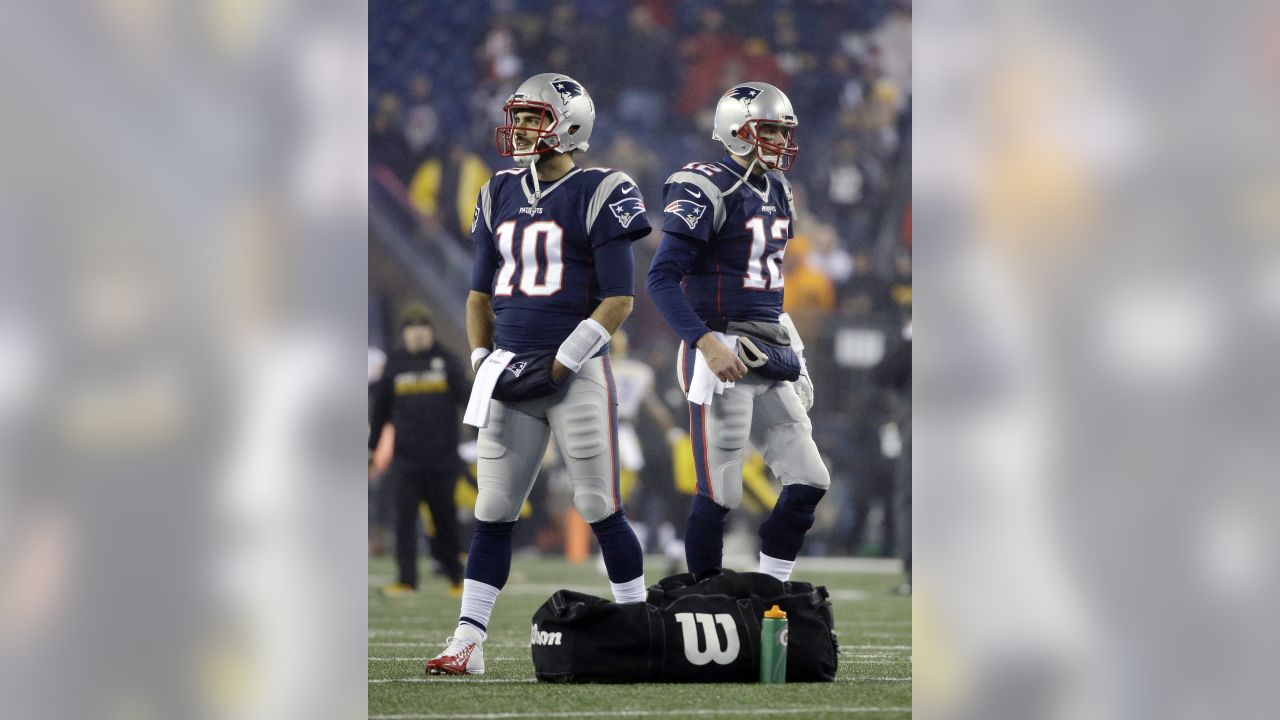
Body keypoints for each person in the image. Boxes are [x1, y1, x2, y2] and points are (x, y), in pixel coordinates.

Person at [426, 73, 651, 676]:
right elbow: (478, 293)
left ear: (570, 124)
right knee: (494, 508)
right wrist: (481, 361)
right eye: (519, 117)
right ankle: (468, 641)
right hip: (508, 369)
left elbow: (619, 299)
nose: (520, 128)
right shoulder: (496, 189)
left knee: (599, 502)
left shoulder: (602, 188)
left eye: (533, 118)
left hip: (573, 369)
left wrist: (560, 361)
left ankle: (638, 628)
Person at [645, 81, 831, 582]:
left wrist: (794, 348)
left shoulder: (777, 188)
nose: (779, 141)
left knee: (810, 479)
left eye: (782, 131)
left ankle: (773, 587)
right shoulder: (706, 184)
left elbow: (766, 287)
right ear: (736, 131)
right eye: (768, 130)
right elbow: (660, 279)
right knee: (721, 492)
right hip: (721, 347)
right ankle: (704, 596)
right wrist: (704, 344)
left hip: (768, 347)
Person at [368, 303, 469, 597]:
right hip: (406, 458)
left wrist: (482, 434)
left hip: (443, 458)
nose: (417, 335)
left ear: (431, 331)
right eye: (411, 330)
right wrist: (372, 450)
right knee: (404, 521)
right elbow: (382, 412)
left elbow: (468, 401)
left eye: (422, 329)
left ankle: (455, 577)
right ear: (404, 333)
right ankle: (406, 579)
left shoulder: (447, 361)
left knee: (445, 518)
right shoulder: (395, 363)